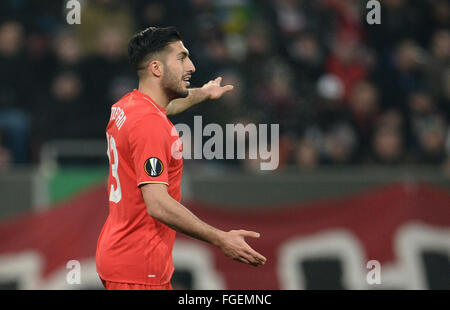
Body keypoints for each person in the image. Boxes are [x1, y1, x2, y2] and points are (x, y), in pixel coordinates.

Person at [96, 26, 266, 290]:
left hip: (127, 259)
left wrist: (203, 93)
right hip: (138, 270)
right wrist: (220, 238)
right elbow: (158, 204)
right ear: (156, 68)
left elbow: (168, 105)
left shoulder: (127, 105)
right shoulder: (149, 124)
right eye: (182, 58)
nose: (192, 66)